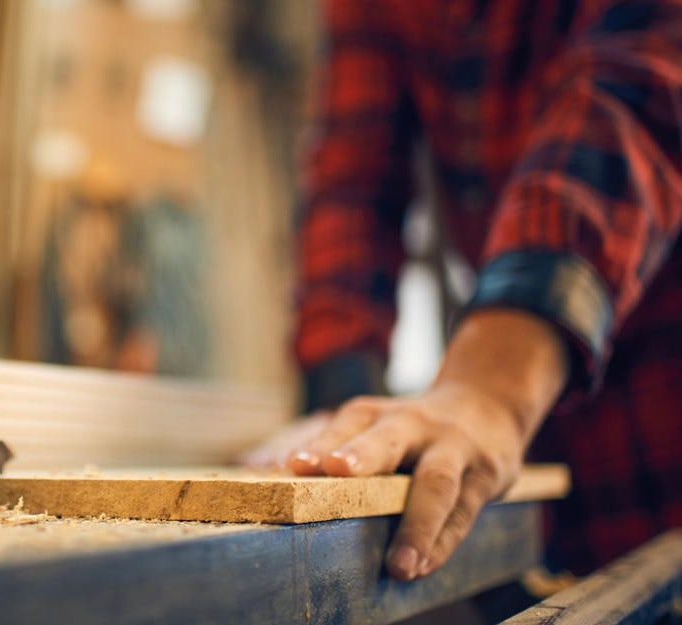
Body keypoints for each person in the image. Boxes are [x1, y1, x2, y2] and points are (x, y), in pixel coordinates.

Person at [247, 0, 682, 581]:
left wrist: (493, 385)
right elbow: (354, 183)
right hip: (557, 468)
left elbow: (634, 95)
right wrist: (340, 415)